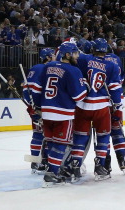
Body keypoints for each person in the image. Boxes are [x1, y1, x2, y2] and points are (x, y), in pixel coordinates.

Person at [31, 42, 89, 187]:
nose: (77, 56)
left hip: (46, 112)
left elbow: (37, 89)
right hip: (63, 113)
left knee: (50, 142)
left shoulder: (47, 67)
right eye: (75, 53)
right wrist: (86, 86)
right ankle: (52, 174)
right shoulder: (73, 71)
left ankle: (51, 170)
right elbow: (79, 96)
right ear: (67, 55)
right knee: (60, 144)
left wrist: (38, 107)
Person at [72, 38, 123, 181]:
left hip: (83, 105)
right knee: (103, 136)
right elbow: (115, 88)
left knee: (80, 136)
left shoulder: (83, 60)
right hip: (101, 106)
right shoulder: (111, 65)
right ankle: (100, 167)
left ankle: (75, 166)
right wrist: (117, 104)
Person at [23, 47, 55, 174]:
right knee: (48, 135)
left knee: (37, 135)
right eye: (53, 55)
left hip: (35, 108)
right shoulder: (46, 69)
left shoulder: (35, 68)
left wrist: (32, 107)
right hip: (43, 108)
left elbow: (26, 90)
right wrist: (38, 107)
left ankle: (35, 162)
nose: (55, 57)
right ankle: (45, 162)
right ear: (47, 57)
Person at [103, 49, 125, 173]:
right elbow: (121, 78)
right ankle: (121, 159)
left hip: (101, 100)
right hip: (118, 98)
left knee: (104, 133)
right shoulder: (116, 58)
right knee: (117, 131)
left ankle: (106, 163)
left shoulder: (93, 60)